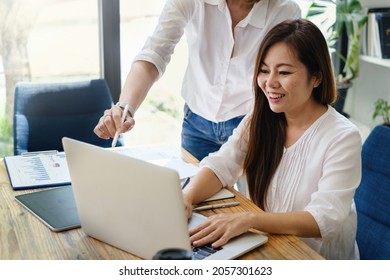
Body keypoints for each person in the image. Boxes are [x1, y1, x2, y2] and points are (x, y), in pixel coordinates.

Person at [182, 19, 362, 260]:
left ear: (316, 77)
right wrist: (187, 197)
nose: (270, 82)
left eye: (284, 72)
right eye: (264, 70)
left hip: (312, 258)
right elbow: (221, 164)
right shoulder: (259, 117)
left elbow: (324, 219)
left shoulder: (342, 136)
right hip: (265, 243)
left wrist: (250, 219)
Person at [94, 0, 301, 161]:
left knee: (251, 208)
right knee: (193, 203)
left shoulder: (285, 11)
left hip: (252, 122)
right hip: (197, 124)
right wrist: (125, 108)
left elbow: (285, 78)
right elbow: (154, 53)